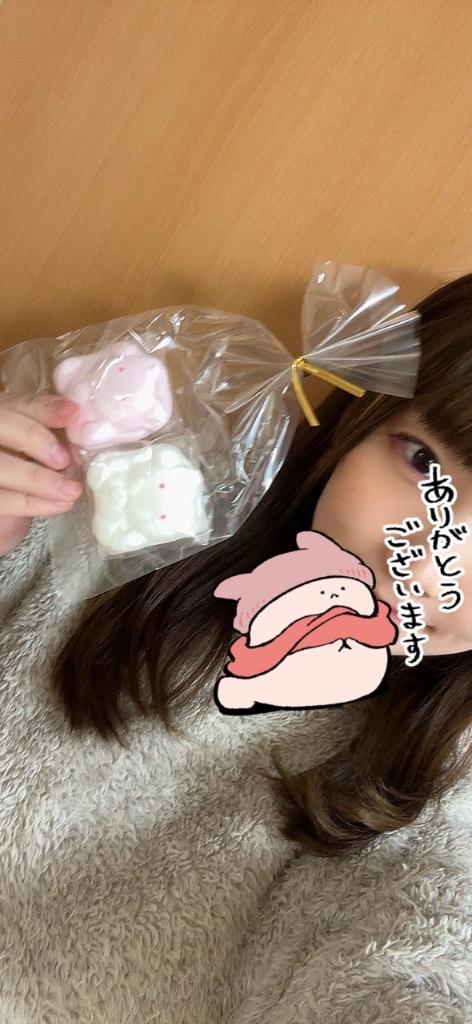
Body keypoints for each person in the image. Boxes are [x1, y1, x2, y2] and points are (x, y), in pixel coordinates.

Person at [0, 274, 471, 1023]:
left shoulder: (441, 786)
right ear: (364, 416)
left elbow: (422, 952)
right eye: (423, 464)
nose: (417, 561)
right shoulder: (136, 507)